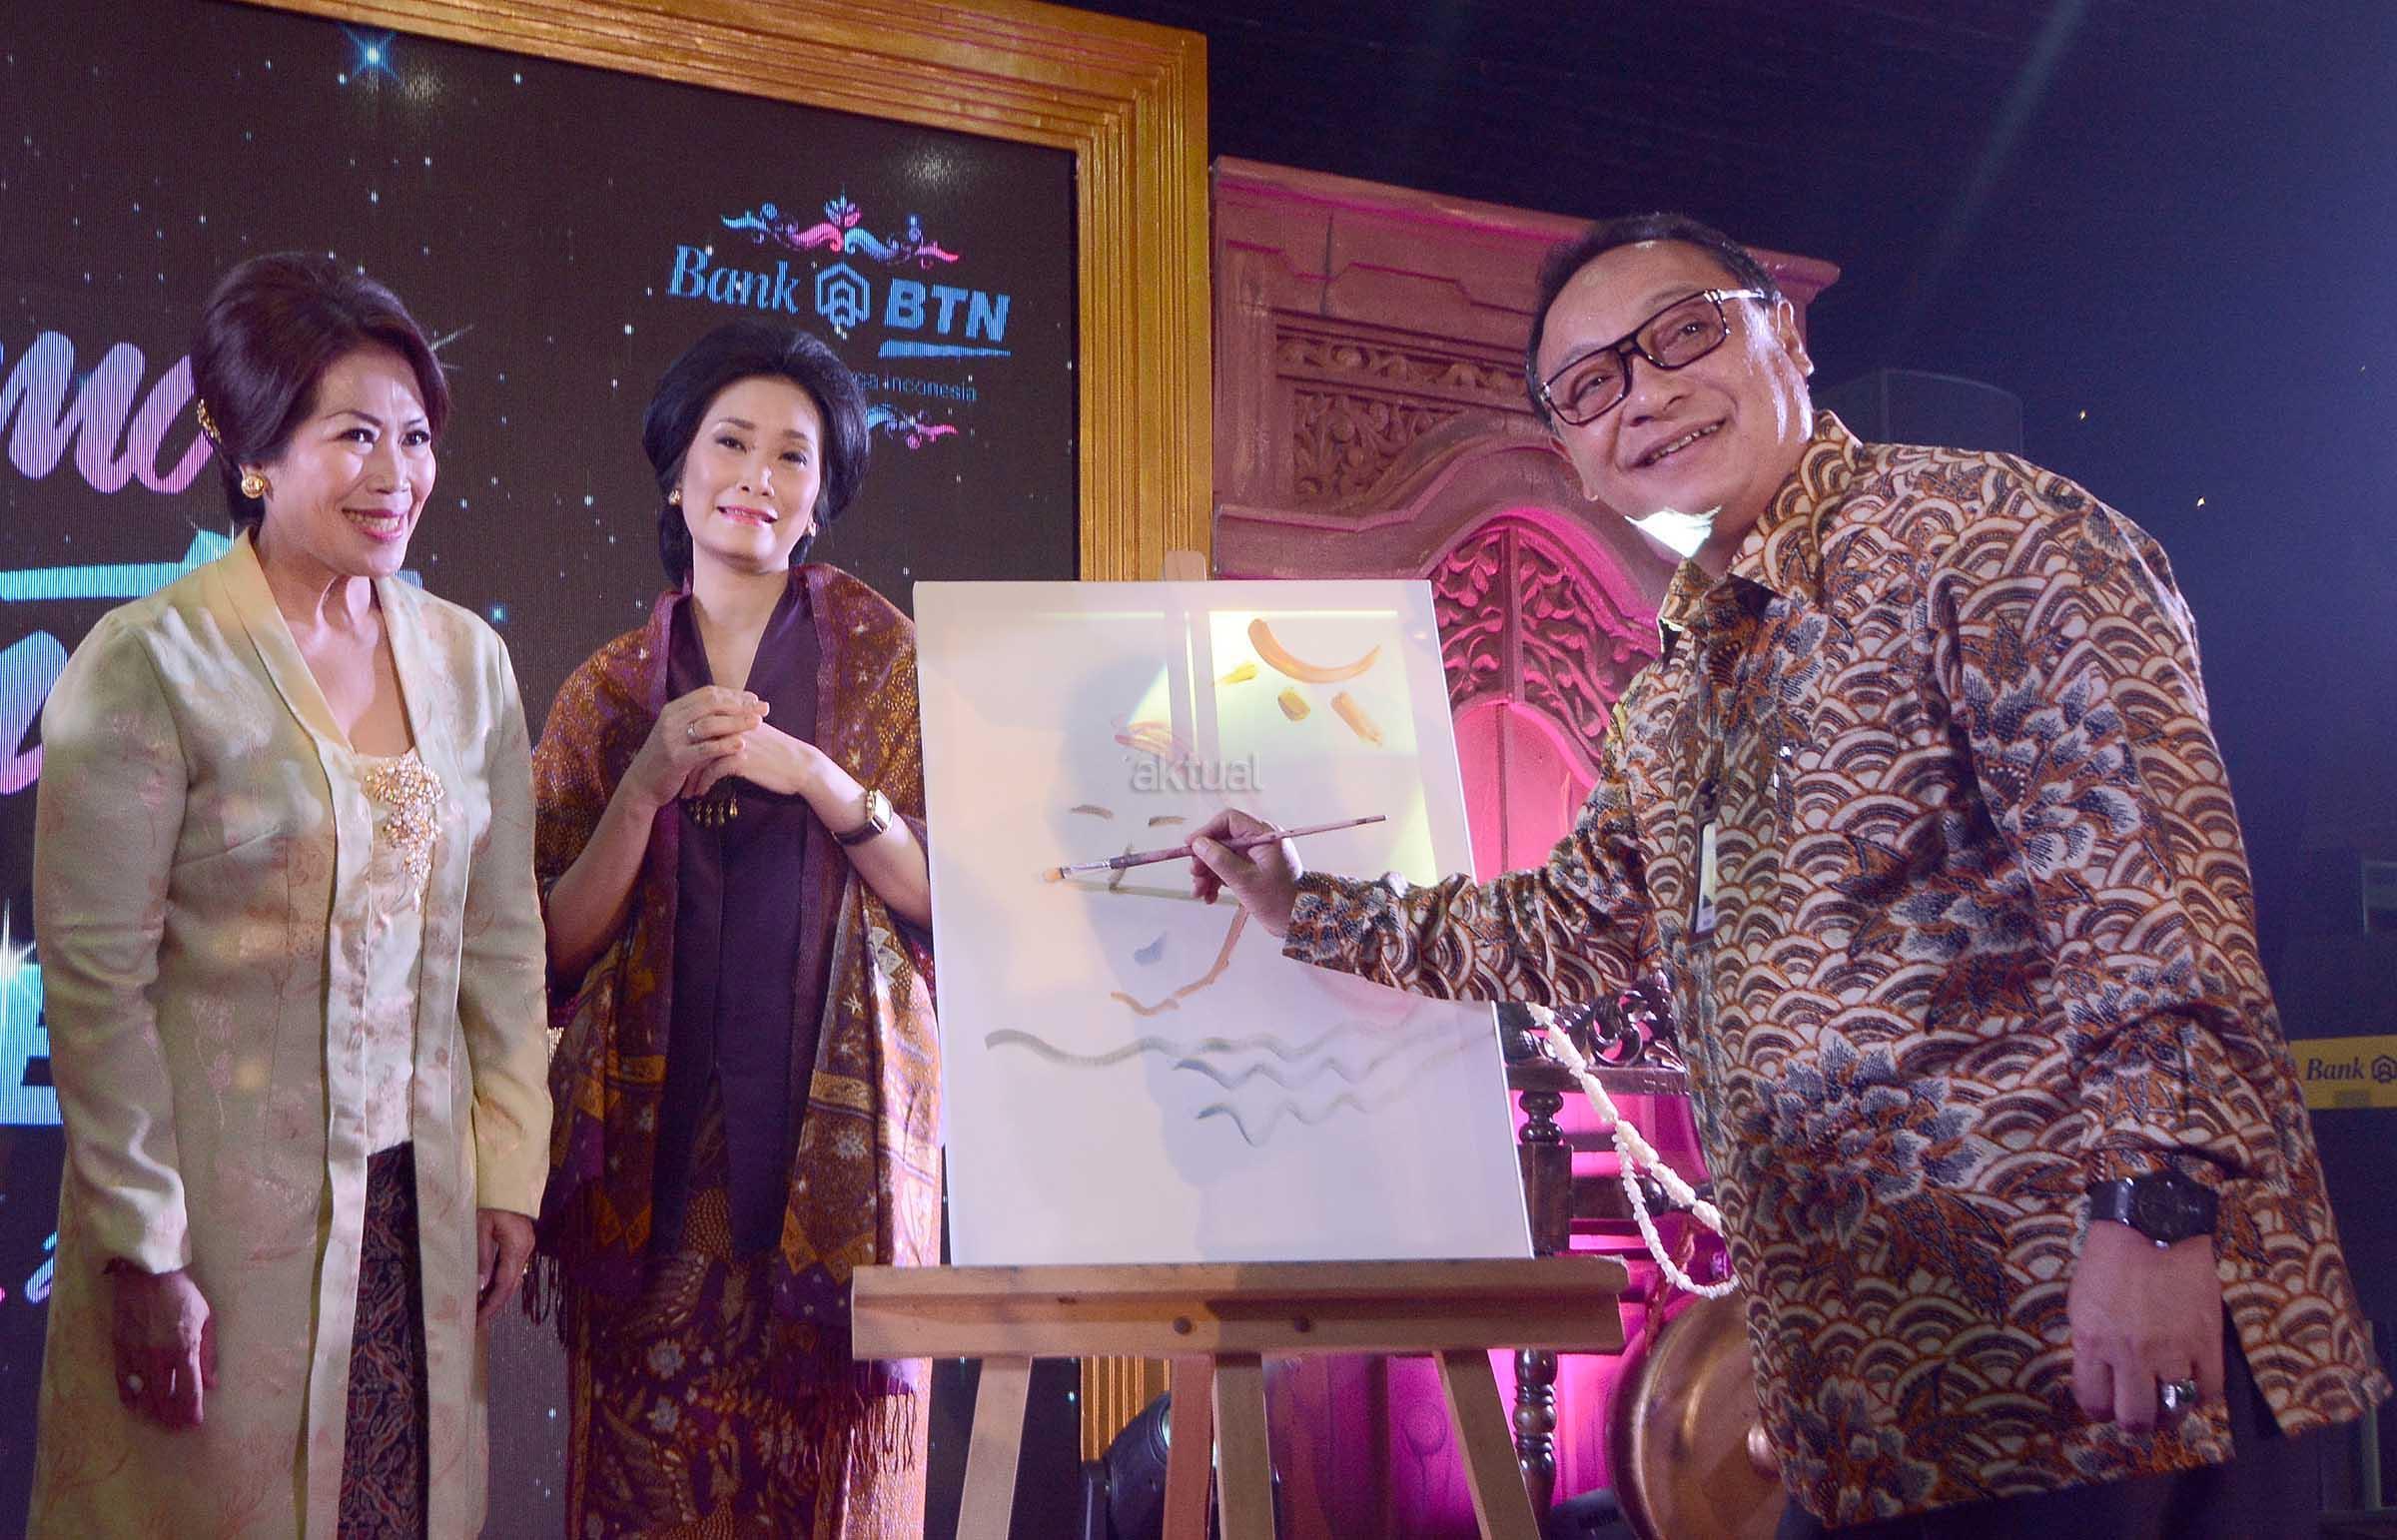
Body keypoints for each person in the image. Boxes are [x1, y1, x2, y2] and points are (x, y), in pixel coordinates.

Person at [1189, 213, 2388, 1537]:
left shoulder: (1988, 535)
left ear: (1789, 336)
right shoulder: (1678, 688)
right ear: (1572, 451)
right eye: (1590, 385)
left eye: (1681, 335)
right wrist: (1298, 902)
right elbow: (1562, 930)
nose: (1644, 395)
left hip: (2092, 1344)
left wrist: (2156, 1212)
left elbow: (2152, 897)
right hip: (1875, 1393)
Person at [28, 254, 552, 1536]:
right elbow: (96, 990)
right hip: (217, 1234)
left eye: (415, 437)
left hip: (416, 1226)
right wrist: (144, 1248)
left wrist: (507, 1170)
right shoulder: (151, 662)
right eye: (354, 435)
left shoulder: (468, 662)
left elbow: (502, 941)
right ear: (254, 451)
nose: (397, 474)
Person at [529, 320, 940, 1537]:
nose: (758, 475)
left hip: (835, 1175)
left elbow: (948, 897)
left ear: (820, 498)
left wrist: (815, 776)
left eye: (793, 455)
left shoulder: (894, 667)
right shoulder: (609, 693)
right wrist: (645, 783)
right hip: (655, 1174)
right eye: (731, 442)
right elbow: (547, 945)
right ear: (677, 472)